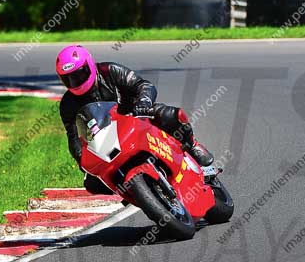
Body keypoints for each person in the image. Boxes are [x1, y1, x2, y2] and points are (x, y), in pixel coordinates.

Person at [56, 44, 214, 195]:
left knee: (168, 115)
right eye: (68, 79)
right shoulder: (67, 105)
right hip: (107, 140)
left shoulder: (110, 71)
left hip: (137, 117)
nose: (75, 82)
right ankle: (134, 192)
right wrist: (82, 160)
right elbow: (74, 137)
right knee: (92, 183)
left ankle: (192, 144)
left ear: (90, 65)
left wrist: (143, 102)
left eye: (79, 74)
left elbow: (143, 85)